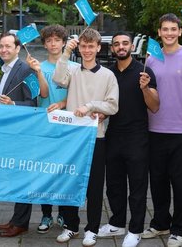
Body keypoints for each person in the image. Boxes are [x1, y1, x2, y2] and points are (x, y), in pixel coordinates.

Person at [52, 28, 119, 246]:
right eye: (83, 46)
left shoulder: (108, 75)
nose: (87, 50)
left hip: (96, 137)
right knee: (70, 182)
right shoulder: (72, 70)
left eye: (91, 46)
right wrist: (65, 53)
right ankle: (71, 226)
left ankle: (92, 228)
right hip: (73, 137)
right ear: (78, 48)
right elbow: (58, 78)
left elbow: (112, 104)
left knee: (94, 186)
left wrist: (90, 106)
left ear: (99, 47)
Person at [97, 31, 159, 247]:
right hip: (113, 135)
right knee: (114, 185)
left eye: (125, 43)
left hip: (137, 137)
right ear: (112, 48)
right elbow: (103, 104)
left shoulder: (145, 71)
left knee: (138, 186)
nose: (121, 47)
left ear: (132, 46)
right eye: (116, 44)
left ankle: (135, 229)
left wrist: (145, 88)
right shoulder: (107, 73)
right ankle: (116, 223)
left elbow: (155, 106)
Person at [142, 13, 182, 247]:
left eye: (173, 29)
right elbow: (150, 94)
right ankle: (161, 222)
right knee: (158, 182)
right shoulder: (152, 59)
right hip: (155, 129)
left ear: (180, 31)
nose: (169, 33)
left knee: (181, 183)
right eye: (165, 29)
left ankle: (180, 229)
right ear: (159, 32)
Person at [26, 24, 79, 234]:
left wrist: (64, 103)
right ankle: (46, 214)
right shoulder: (38, 67)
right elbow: (44, 95)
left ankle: (64, 213)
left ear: (64, 42)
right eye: (49, 40)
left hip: (67, 127)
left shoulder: (74, 68)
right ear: (45, 44)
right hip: (44, 126)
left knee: (65, 171)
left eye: (57, 40)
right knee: (45, 172)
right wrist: (38, 72)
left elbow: (78, 94)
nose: (53, 44)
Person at [0, 32, 37, 238]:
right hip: (9, 134)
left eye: (8, 46)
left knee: (23, 178)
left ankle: (21, 222)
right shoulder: (5, 70)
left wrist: (13, 104)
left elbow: (33, 103)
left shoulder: (26, 69)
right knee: (15, 178)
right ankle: (16, 219)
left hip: (23, 134)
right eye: (1, 46)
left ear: (17, 48)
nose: (4, 50)